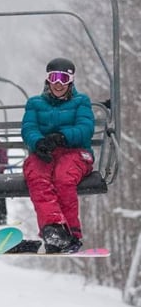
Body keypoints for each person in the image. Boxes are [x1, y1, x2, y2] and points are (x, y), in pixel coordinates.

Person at [22, 57, 94, 254]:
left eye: (64, 78)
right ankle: (53, 230)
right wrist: (39, 143)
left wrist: (62, 137)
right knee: (36, 176)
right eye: (54, 78)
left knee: (63, 178)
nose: (59, 84)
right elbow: (29, 128)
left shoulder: (81, 101)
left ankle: (72, 232)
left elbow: (85, 128)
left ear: (71, 80)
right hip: (46, 153)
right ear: (48, 79)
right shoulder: (35, 104)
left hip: (76, 152)